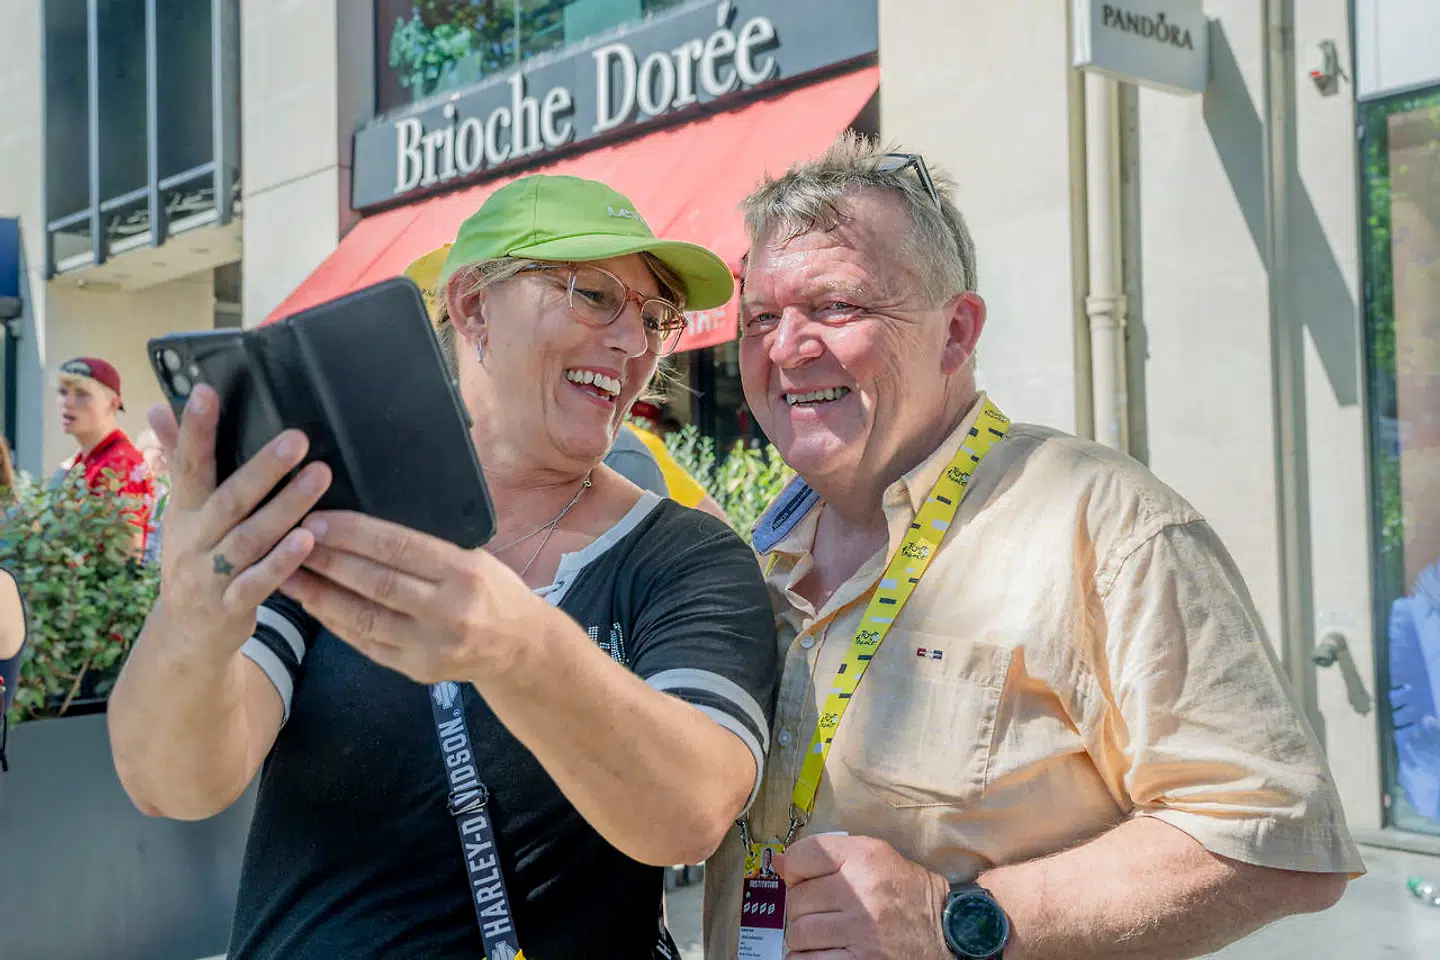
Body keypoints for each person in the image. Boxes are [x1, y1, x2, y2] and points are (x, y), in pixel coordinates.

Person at [703, 135, 1363, 960]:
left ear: (956, 333)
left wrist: (955, 918)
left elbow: (1273, 834)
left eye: (836, 307)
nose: (785, 347)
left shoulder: (1103, 522)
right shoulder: (758, 552)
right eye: (761, 317)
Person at [107, 174, 778, 958]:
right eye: (594, 295)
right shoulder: (336, 511)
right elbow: (173, 783)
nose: (635, 344)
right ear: (471, 308)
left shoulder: (685, 556)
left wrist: (518, 646)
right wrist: (191, 624)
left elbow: (690, 812)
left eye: (655, 317)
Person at [55, 356, 153, 552]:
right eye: (63, 392)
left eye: (82, 394)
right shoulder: (86, 459)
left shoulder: (121, 464)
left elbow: (127, 558)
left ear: (113, 404)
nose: (68, 402)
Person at [135, 429, 169, 566]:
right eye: (160, 451)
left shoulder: (165, 491)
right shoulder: (129, 483)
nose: (163, 459)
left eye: (167, 453)